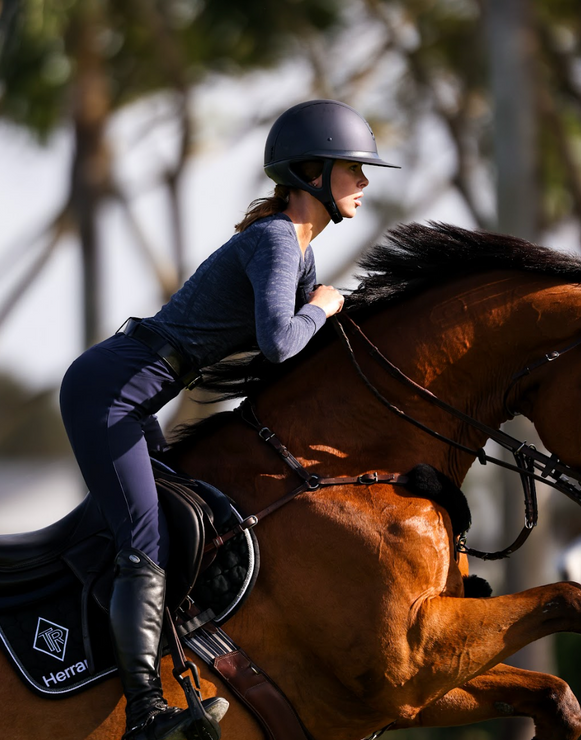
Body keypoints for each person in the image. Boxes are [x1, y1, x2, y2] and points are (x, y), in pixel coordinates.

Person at [58, 99, 399, 740]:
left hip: (130, 395)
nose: (365, 182)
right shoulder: (276, 240)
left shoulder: (297, 250)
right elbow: (280, 341)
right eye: (354, 168)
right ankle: (145, 718)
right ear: (312, 172)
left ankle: (172, 668)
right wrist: (325, 307)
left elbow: (295, 360)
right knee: (146, 547)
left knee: (185, 525)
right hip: (108, 395)